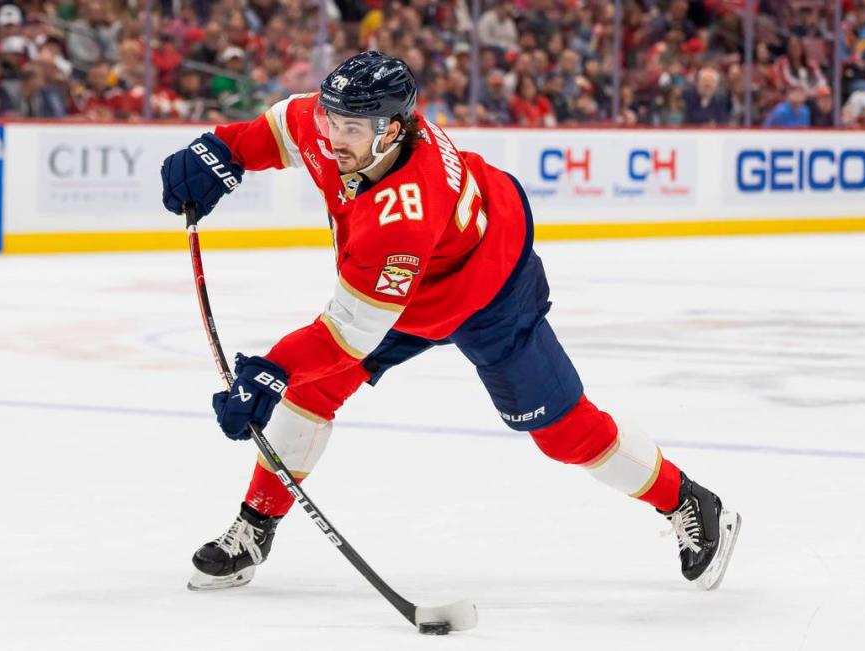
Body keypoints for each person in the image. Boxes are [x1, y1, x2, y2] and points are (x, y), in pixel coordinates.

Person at [160, 51, 741, 596]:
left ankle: (687, 499)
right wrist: (219, 153)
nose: (335, 138)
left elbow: (349, 333)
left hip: (488, 288)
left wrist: (272, 371)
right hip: (398, 291)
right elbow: (274, 133)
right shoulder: (338, 122)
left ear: (392, 129)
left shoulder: (404, 213)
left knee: (560, 430)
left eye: (352, 130)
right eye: (332, 121)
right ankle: (255, 524)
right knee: (311, 391)